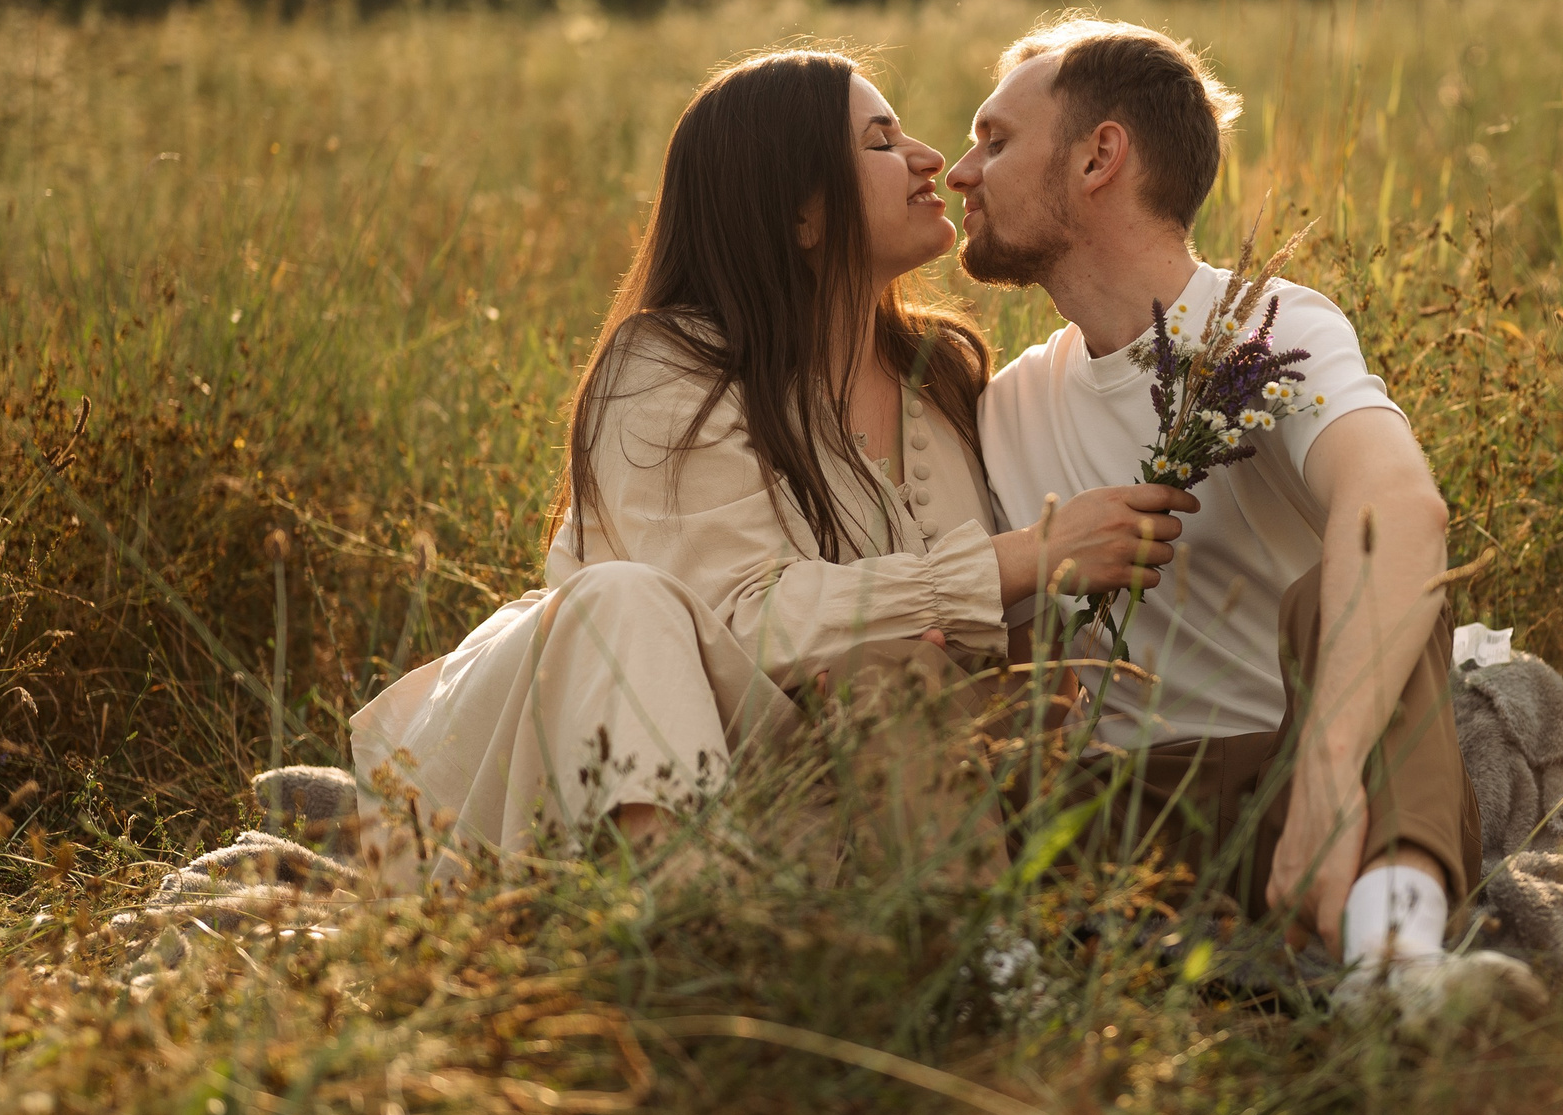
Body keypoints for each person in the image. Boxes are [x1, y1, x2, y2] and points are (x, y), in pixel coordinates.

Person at [349, 47, 1188, 882]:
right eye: (881, 141)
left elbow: (964, 646)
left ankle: (889, 951)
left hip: (818, 804)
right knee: (622, 598)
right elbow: (740, 620)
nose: (932, 158)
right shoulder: (665, 368)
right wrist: (1021, 559)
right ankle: (682, 931)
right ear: (799, 214)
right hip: (586, 762)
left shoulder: (945, 377)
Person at [947, 18, 1544, 1018]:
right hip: (1124, 818)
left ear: (1100, 156)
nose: (962, 171)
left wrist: (1324, 773)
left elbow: (1399, 506)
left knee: (1360, 585)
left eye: (995, 139)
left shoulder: (1266, 328)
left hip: (1306, 777)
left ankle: (1393, 962)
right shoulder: (1001, 406)